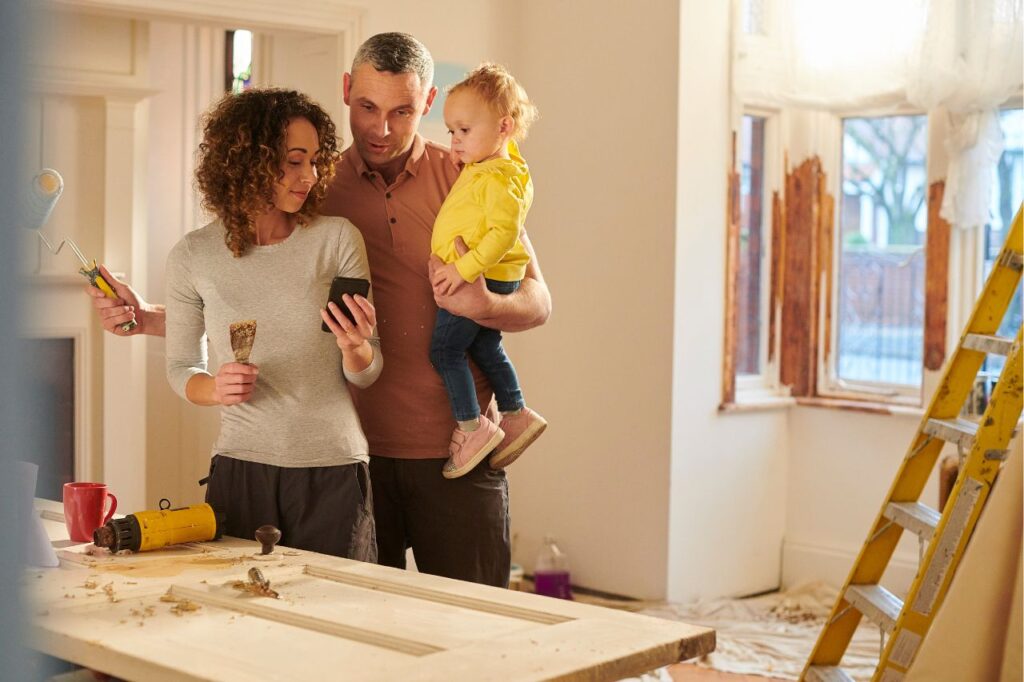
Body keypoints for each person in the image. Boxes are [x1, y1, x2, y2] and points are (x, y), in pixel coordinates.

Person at [86, 33, 551, 588]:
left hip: (458, 449)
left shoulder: (468, 173)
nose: (381, 128)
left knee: (478, 634)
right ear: (347, 91)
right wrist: (152, 318)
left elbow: (536, 301)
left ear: (426, 104)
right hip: (349, 459)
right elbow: (266, 301)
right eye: (368, 108)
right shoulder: (311, 186)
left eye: (402, 111)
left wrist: (484, 303)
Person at [164, 87, 381, 561]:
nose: (311, 175)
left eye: (316, 160)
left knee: (335, 619)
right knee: (238, 618)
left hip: (333, 467)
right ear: (246, 162)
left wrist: (355, 347)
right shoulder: (193, 255)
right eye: (294, 161)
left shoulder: (336, 239)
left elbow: (367, 370)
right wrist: (216, 388)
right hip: (240, 468)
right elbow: (181, 366)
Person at [429, 64, 547, 479]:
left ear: (503, 127)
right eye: (451, 132)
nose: (455, 141)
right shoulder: (491, 165)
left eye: (464, 131)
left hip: (484, 277)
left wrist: (463, 269)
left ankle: (472, 427)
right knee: (484, 347)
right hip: (489, 273)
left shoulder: (501, 177)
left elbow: (503, 233)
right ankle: (515, 413)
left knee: (445, 350)